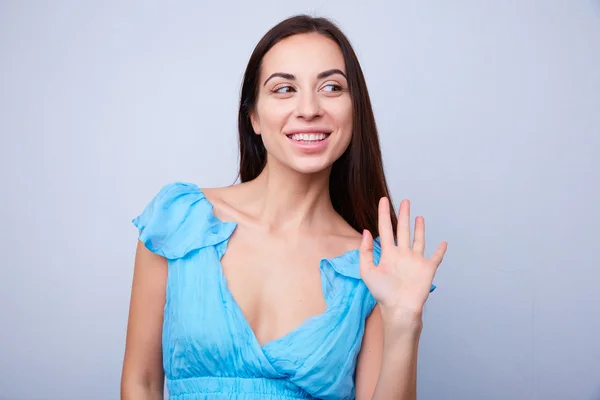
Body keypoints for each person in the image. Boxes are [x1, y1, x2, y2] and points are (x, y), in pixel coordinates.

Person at [120, 14, 447, 400]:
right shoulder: (180, 219)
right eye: (284, 89)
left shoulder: (372, 269)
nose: (309, 109)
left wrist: (405, 321)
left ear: (354, 113)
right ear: (254, 116)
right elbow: (140, 383)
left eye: (330, 87)